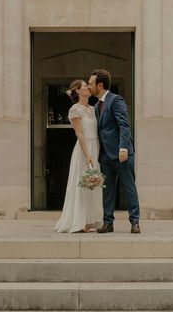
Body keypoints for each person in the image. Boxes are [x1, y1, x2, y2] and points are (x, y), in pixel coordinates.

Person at [88, 69, 140, 234]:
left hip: (121, 154)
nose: (89, 87)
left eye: (91, 84)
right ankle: (108, 223)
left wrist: (123, 147)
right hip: (105, 156)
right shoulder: (96, 106)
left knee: (129, 187)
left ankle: (135, 222)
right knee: (107, 190)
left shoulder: (116, 100)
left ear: (100, 85)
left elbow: (123, 124)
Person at [54, 80, 103, 233]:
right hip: (84, 149)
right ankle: (79, 221)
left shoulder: (92, 109)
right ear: (78, 91)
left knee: (93, 184)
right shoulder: (75, 109)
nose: (88, 87)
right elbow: (79, 133)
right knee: (82, 183)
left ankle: (89, 221)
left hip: (96, 146)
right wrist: (87, 154)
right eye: (85, 86)